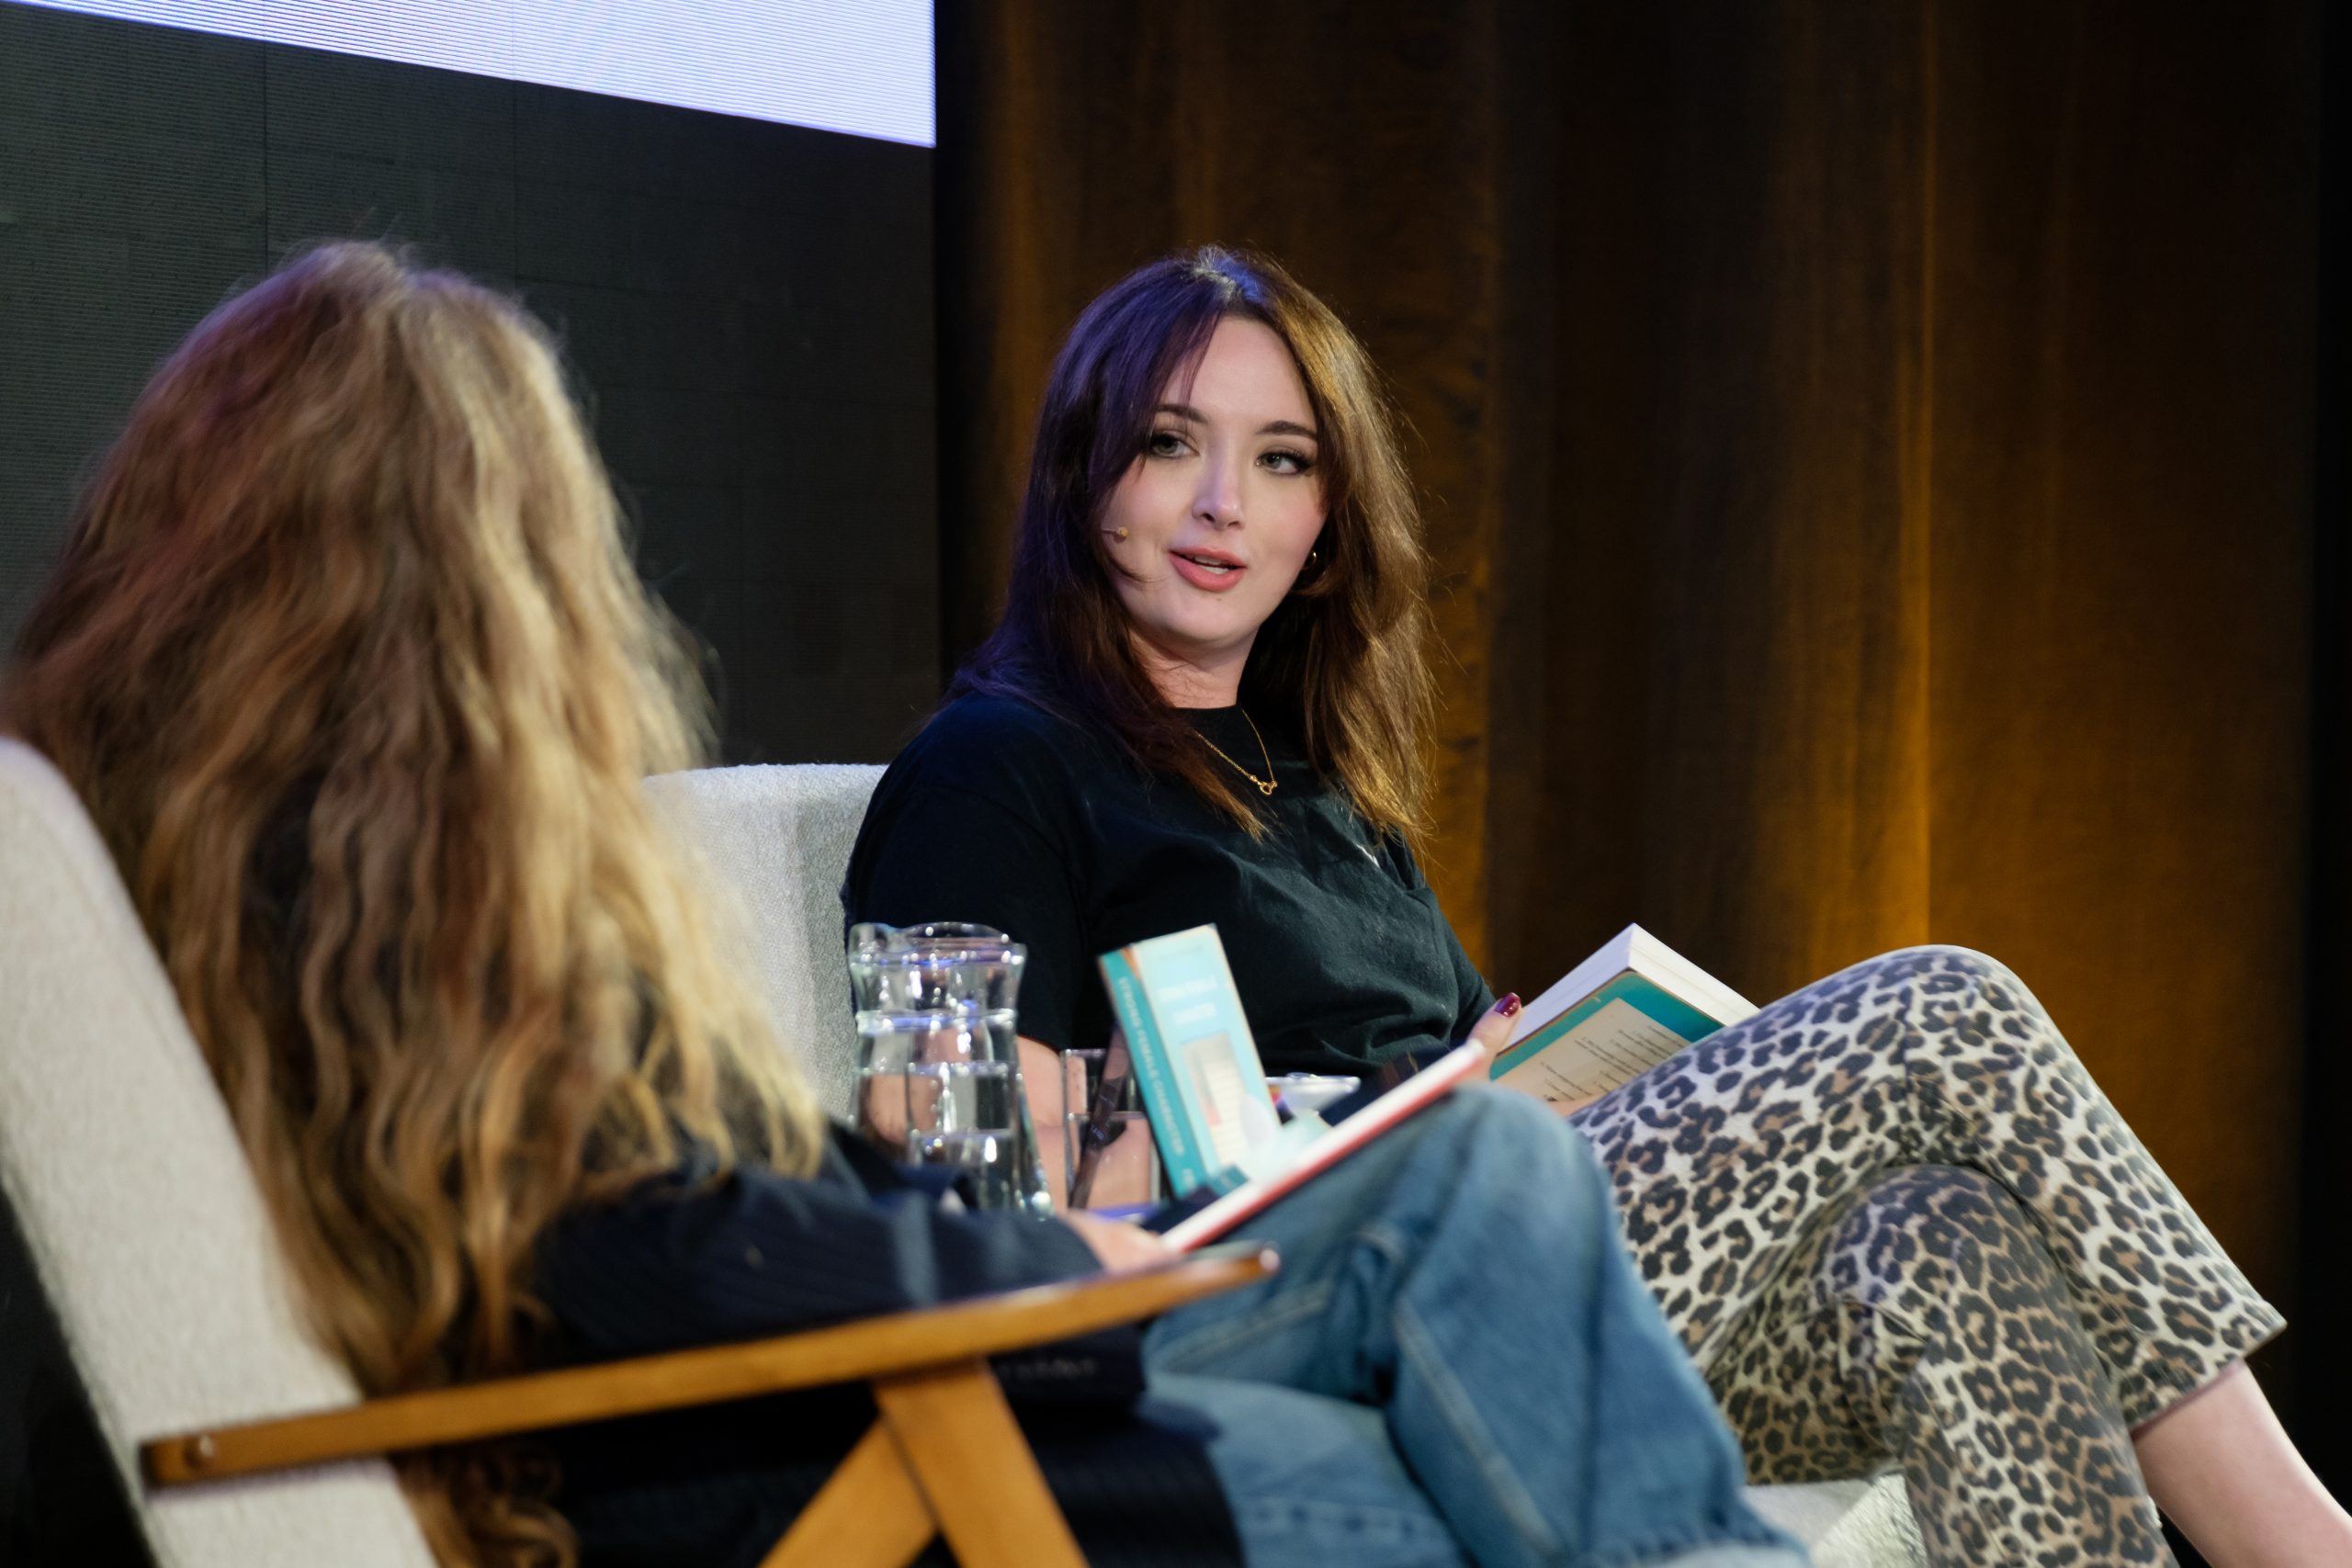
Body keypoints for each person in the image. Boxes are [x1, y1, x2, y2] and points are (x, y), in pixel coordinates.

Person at [1, 242, 1806, 1568]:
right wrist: (1048, 1259)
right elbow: (651, 1244)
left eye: (1281, 459)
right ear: (471, 568)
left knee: (1478, 1174)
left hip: (897, 1382)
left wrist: (1017, 1247)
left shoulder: (274, 869)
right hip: (836, 1461)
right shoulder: (350, 887)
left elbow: (680, 1191)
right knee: (1475, 1314)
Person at [843, 245, 2352, 1568]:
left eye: (1284, 460)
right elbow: (973, 1193)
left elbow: (1473, 1072)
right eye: (1172, 443)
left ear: (1327, 528)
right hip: (1319, 1297)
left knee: (1942, 1242)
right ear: (1083, 473)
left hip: (1531, 1264)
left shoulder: (1324, 795)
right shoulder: (1000, 764)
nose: (1225, 502)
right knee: (1944, 1005)